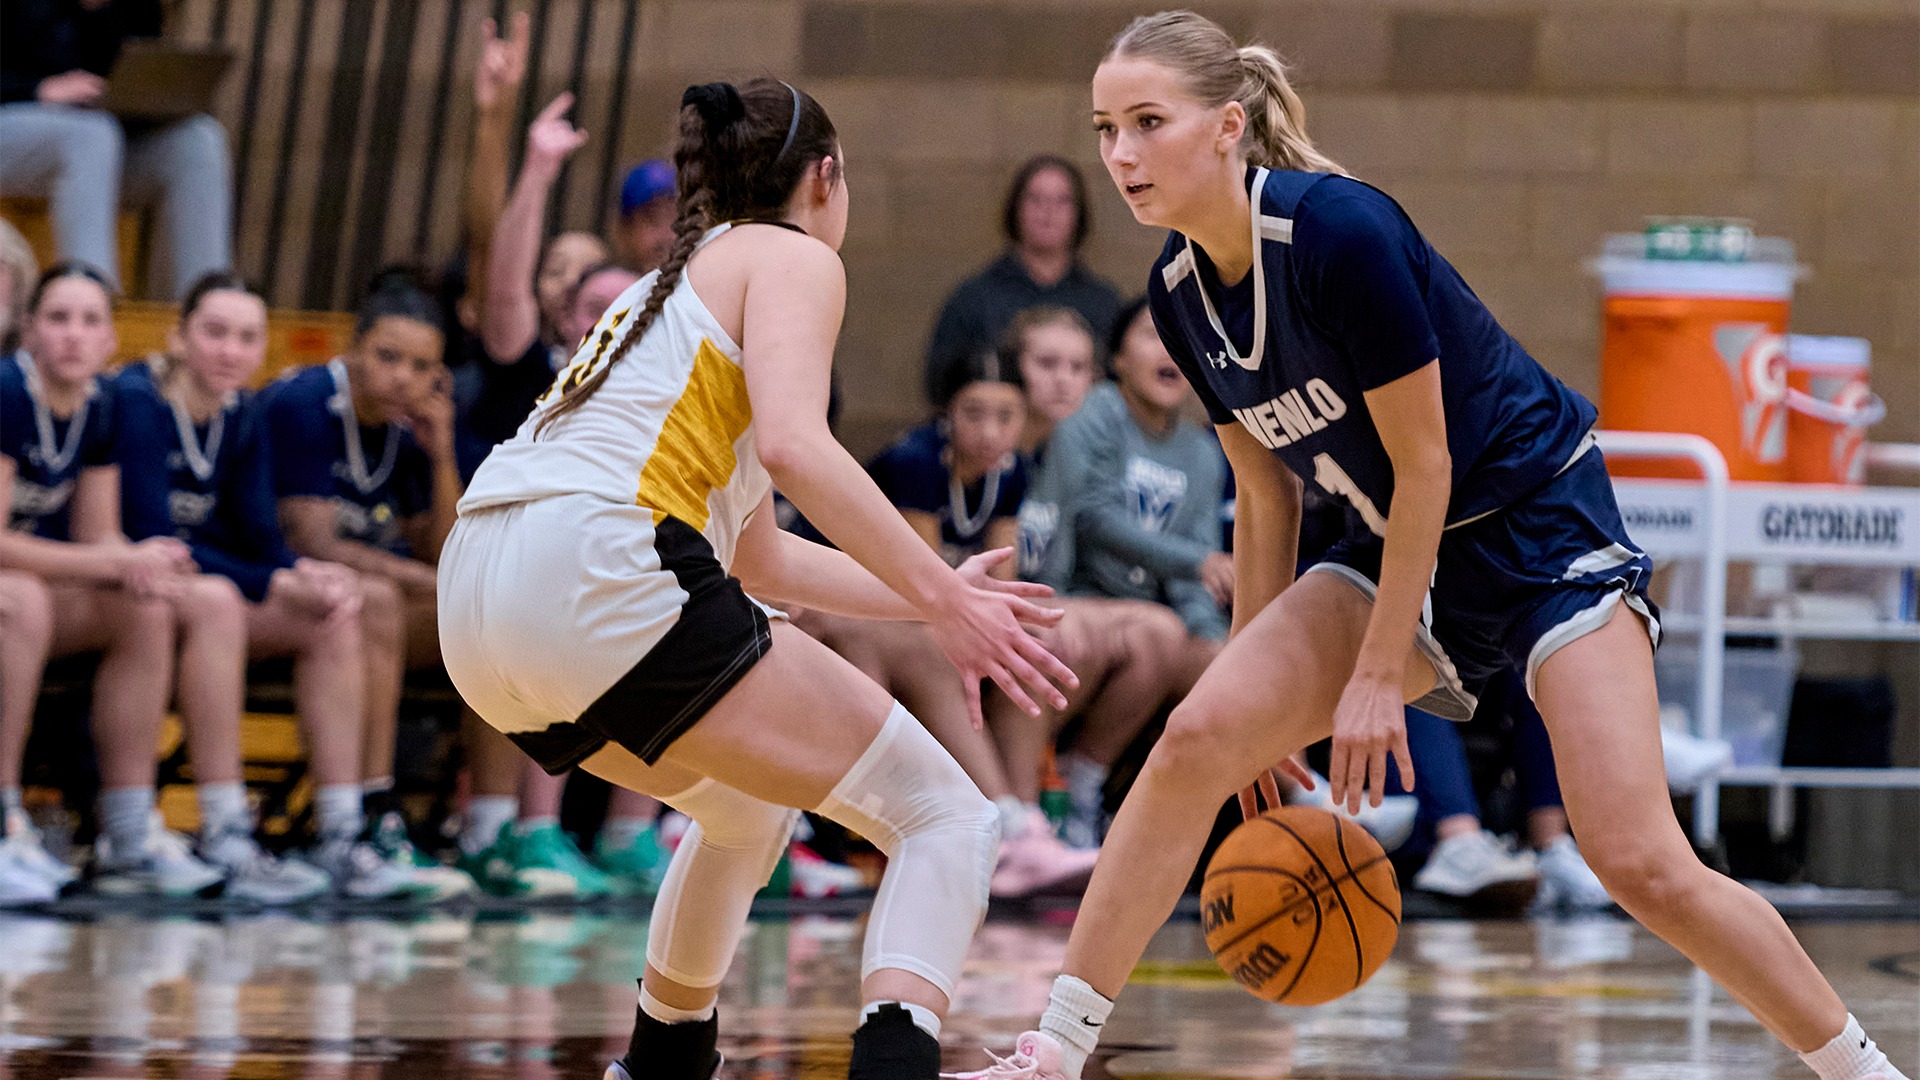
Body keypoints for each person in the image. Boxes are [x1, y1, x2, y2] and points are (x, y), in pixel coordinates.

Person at [955, 13, 1910, 1080]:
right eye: (1104, 130)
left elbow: (1430, 465)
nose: (1120, 156)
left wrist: (1372, 681)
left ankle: (1864, 1072)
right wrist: (1258, 699)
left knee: (1640, 861)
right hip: (1393, 544)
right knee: (1195, 742)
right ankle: (1053, 1050)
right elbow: (1264, 498)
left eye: (1146, 123)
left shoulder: (1339, 233)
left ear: (1227, 128)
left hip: (1539, 528)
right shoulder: (1178, 300)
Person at [435, 79, 1074, 1080]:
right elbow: (796, 447)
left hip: (480, 599)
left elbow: (760, 555)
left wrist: (934, 586)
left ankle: (662, 1065)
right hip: (602, 565)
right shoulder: (792, 255)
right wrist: (945, 600)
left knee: (747, 808)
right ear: (824, 179)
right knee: (947, 816)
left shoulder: (667, 291)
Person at [0, 262, 305, 901]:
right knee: (24, 600)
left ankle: (129, 835)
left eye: (90, 322)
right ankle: (5, 823)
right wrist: (116, 562)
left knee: (148, 604)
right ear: (29, 330)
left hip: (38, 580)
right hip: (18, 585)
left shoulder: (99, 404)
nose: (74, 337)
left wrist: (144, 565)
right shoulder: (9, 390)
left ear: (113, 340)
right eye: (58, 319)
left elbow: (99, 534)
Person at [113, 272, 417, 899]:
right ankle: (226, 832)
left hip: (196, 589)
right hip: (128, 586)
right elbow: (155, 535)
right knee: (223, 601)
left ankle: (340, 834)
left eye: (248, 338)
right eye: (215, 333)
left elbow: (258, 535)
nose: (230, 350)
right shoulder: (137, 399)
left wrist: (304, 575)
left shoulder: (242, 411)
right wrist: (276, 577)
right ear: (178, 335)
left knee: (332, 611)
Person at [254, 274, 480, 901]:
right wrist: (433, 583)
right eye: (387, 357)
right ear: (352, 349)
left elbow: (445, 547)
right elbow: (314, 541)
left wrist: (440, 457)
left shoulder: (407, 432)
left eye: (420, 366)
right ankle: (369, 814)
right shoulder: (304, 402)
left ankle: (495, 829)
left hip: (359, 610)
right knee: (379, 599)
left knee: (502, 622)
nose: (402, 377)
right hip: (278, 592)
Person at [0, 0, 232, 298]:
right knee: (92, 134)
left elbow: (130, 79)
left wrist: (162, 103)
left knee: (199, 140)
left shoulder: (135, 7)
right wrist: (37, 89)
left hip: (96, 146)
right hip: (17, 118)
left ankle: (211, 306)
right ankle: (91, 301)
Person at [923, 156, 1121, 405]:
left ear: (1079, 214)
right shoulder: (973, 298)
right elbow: (940, 385)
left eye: (1062, 201)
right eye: (1035, 199)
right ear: (1015, 208)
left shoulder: (1103, 301)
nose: (1048, 211)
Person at [617, 159, 677, 272]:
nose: (667, 235)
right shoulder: (609, 286)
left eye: (677, 218)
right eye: (651, 219)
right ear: (625, 230)